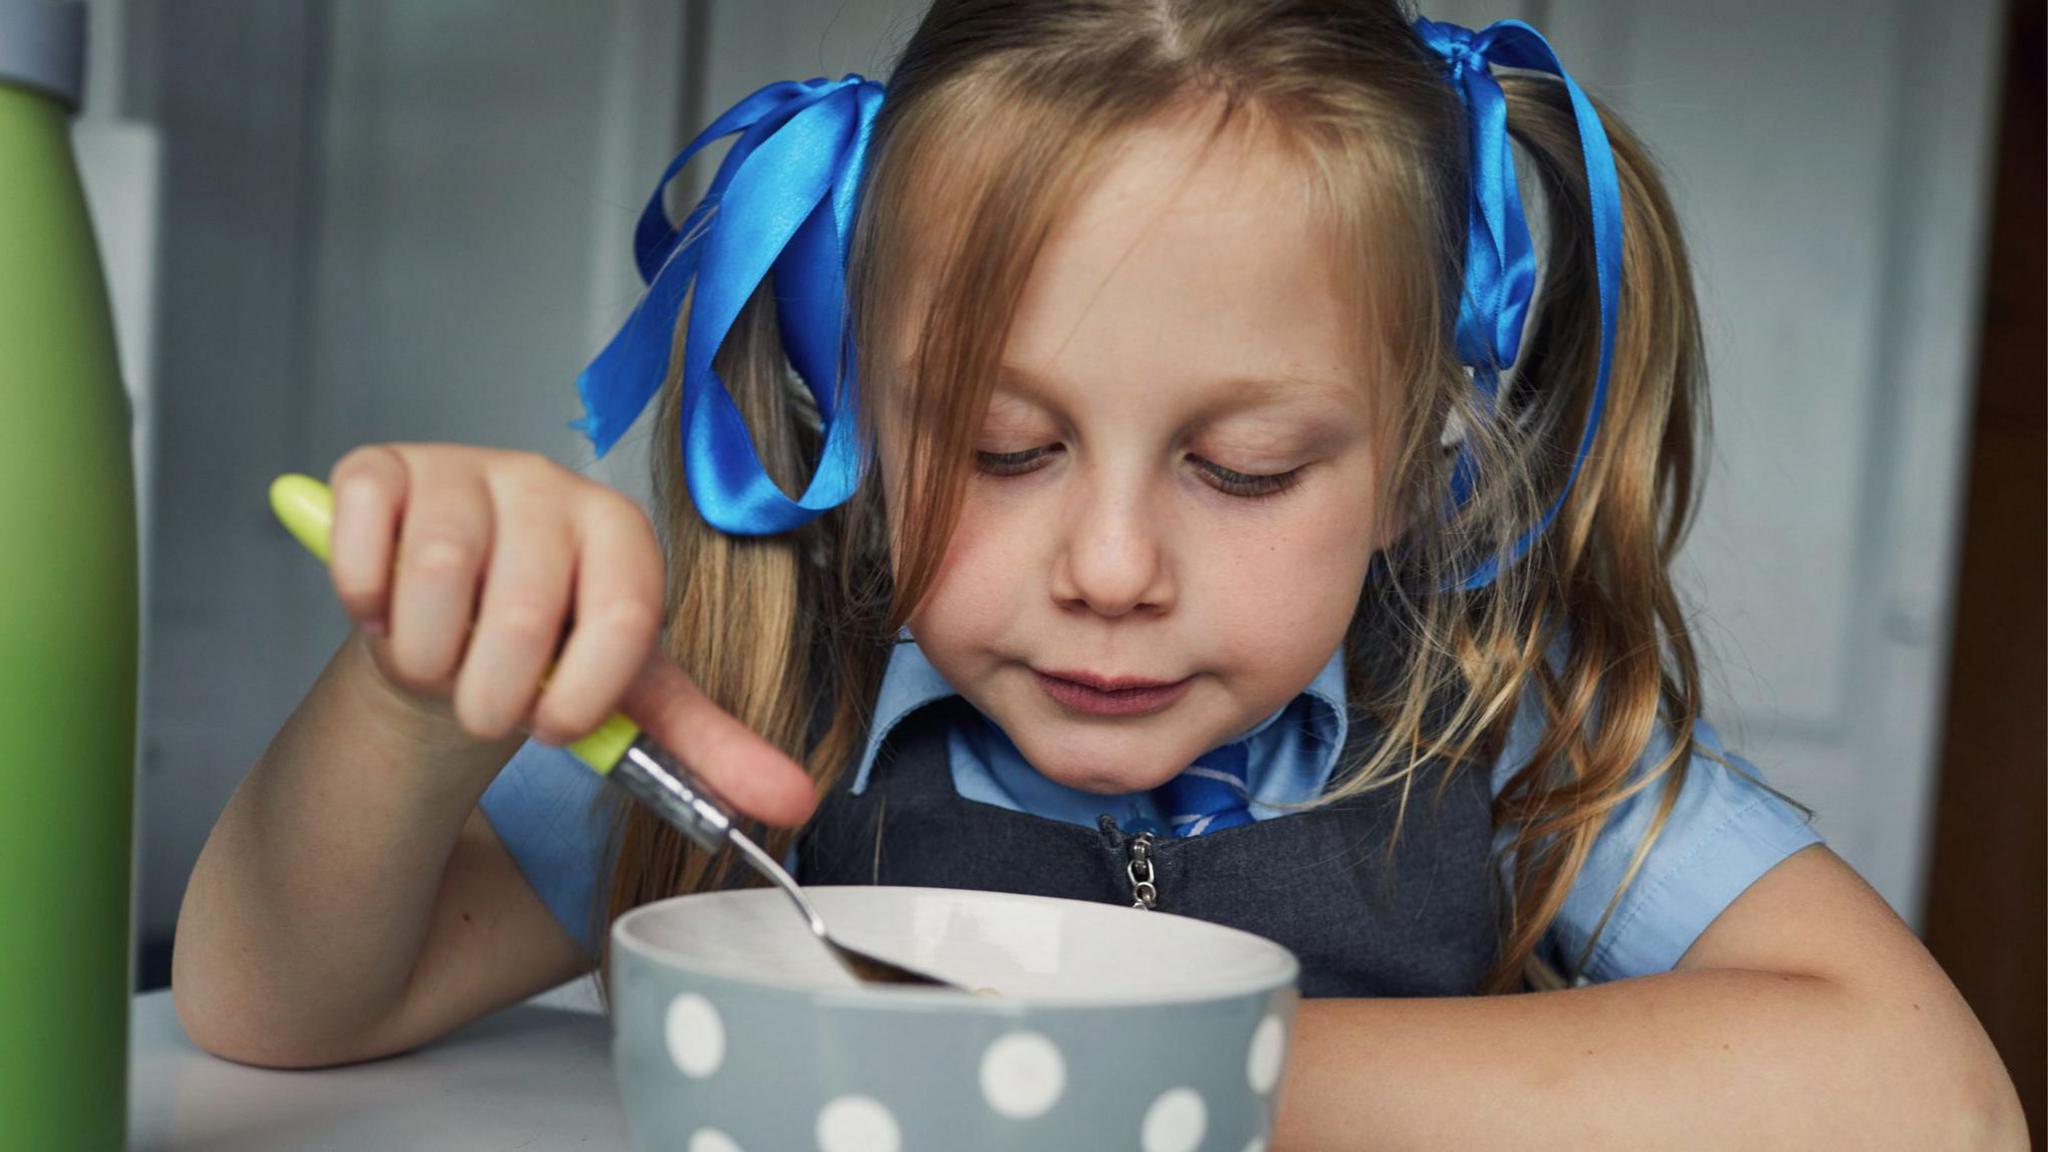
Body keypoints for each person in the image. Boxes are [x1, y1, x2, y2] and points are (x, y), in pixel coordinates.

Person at [172, 2, 2026, 1146]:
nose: (1116, 567)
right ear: (864, 410)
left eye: (1246, 466)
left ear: (1407, 458)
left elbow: (1924, 1103)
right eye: (999, 450)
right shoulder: (769, 701)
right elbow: (270, 1008)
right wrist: (419, 696)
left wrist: (1135, 1078)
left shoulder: (1500, 731)